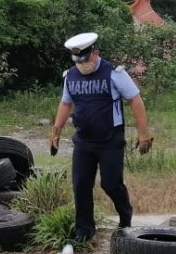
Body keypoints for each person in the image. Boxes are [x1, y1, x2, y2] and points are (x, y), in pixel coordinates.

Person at [49, 32, 153, 241]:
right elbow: (66, 103)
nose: (82, 64)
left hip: (110, 141)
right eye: (78, 60)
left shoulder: (114, 73)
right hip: (83, 141)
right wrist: (56, 130)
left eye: (86, 59)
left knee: (111, 184)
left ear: (95, 53)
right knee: (81, 185)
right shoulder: (71, 75)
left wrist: (143, 132)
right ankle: (84, 230)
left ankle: (125, 216)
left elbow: (135, 99)